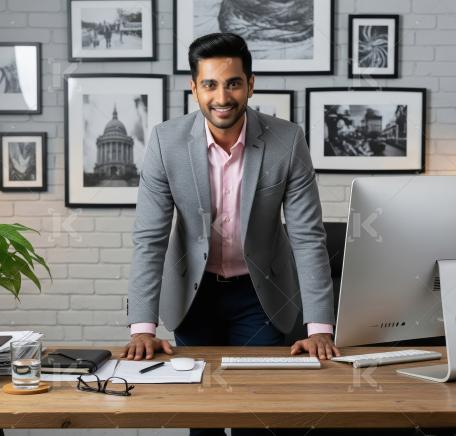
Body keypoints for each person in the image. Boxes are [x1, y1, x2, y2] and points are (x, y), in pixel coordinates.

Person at [122, 33, 339, 435]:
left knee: (257, 414)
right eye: (210, 84)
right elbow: (149, 238)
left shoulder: (287, 140)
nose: (222, 96)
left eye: (233, 83)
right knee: (201, 416)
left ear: (250, 84)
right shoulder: (165, 142)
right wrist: (142, 329)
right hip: (194, 295)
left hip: (261, 296)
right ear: (194, 87)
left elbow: (309, 236)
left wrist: (320, 330)